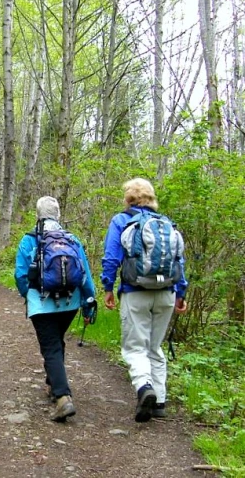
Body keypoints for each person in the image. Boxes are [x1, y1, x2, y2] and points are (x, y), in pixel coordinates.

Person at [101, 177, 188, 423]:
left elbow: (111, 258)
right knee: (155, 346)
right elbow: (179, 261)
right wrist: (181, 293)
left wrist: (108, 287)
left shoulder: (121, 220)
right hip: (166, 293)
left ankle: (144, 387)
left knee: (134, 347)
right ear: (151, 198)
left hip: (135, 291)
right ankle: (159, 401)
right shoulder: (166, 223)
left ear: (128, 198)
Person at [15, 196, 96, 422]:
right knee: (56, 341)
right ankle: (53, 384)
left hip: (41, 302)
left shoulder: (29, 240)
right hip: (70, 302)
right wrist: (89, 302)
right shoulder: (72, 239)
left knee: (50, 346)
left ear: (37, 214)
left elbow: (21, 275)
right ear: (58, 215)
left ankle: (63, 398)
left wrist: (29, 296)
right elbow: (85, 276)